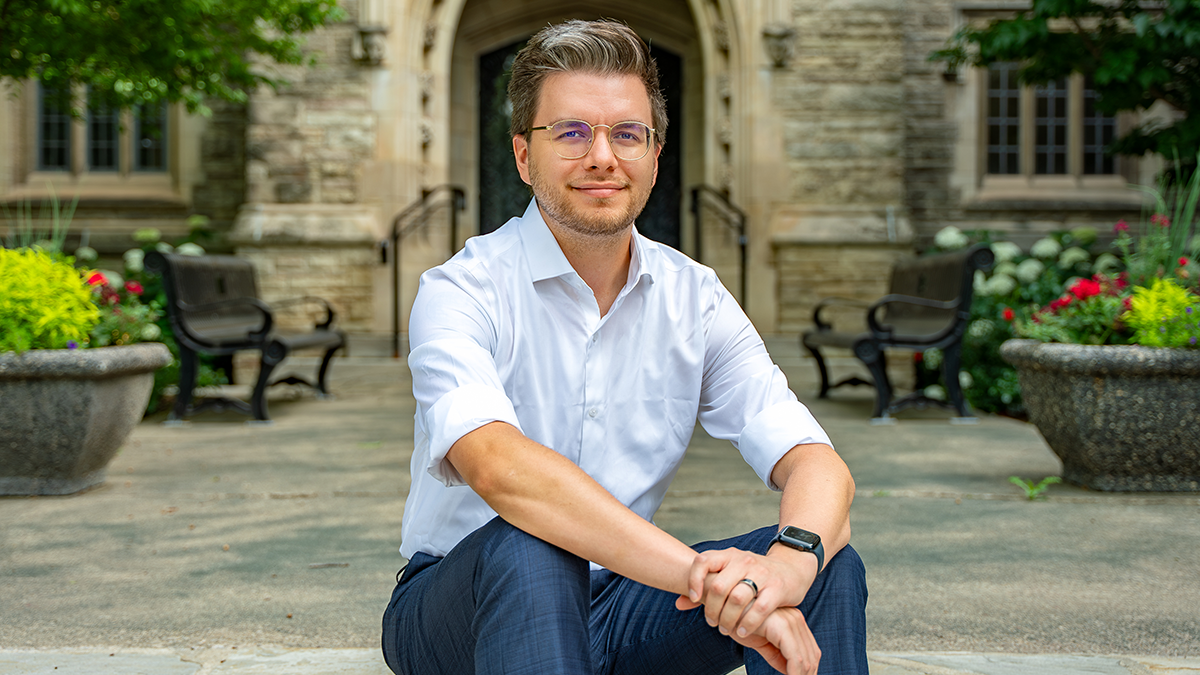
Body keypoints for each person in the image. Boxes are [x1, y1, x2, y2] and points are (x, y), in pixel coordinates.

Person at [381, 19, 867, 675]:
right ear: (524, 155)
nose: (603, 156)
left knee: (828, 562)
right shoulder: (462, 290)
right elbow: (501, 470)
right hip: (462, 605)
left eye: (627, 134)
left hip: (624, 607)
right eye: (572, 132)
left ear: (655, 156)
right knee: (534, 544)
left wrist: (786, 568)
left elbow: (817, 465)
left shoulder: (694, 297)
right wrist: (703, 577)